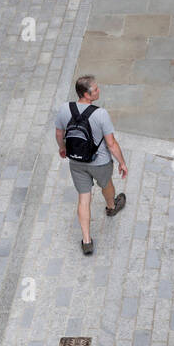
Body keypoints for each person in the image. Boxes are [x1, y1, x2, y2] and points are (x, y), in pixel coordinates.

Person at [54, 76, 128, 256]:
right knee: (106, 184)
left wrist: (62, 148)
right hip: (100, 162)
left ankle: (86, 241)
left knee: (83, 199)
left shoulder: (65, 109)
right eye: (95, 90)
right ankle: (111, 207)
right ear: (86, 94)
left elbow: (59, 132)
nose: (98, 91)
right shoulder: (100, 113)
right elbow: (111, 144)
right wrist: (122, 162)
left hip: (77, 161)